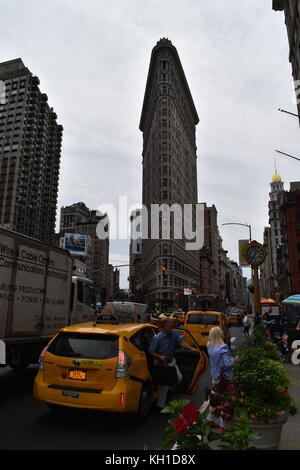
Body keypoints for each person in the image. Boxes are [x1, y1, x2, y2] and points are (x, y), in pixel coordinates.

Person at [148, 319, 200, 409]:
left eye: (172, 325)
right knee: (163, 385)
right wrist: (160, 357)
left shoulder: (173, 334)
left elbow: (181, 342)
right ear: (164, 327)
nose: (172, 327)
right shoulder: (157, 338)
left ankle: (167, 390)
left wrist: (191, 348)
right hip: (161, 363)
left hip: (171, 361)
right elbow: (151, 351)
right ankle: (160, 407)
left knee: (179, 378)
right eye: (170, 325)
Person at [206, 327, 234, 433]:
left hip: (215, 377)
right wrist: (234, 359)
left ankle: (210, 420)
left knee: (215, 399)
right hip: (225, 378)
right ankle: (223, 426)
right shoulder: (223, 347)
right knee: (224, 401)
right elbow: (228, 364)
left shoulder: (210, 347)